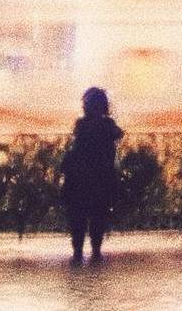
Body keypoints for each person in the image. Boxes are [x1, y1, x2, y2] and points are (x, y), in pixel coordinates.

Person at [60, 87, 123, 264]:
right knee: (98, 216)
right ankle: (95, 251)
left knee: (78, 218)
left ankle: (78, 252)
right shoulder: (108, 126)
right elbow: (118, 134)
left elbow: (77, 148)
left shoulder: (82, 125)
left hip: (79, 179)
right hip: (101, 179)